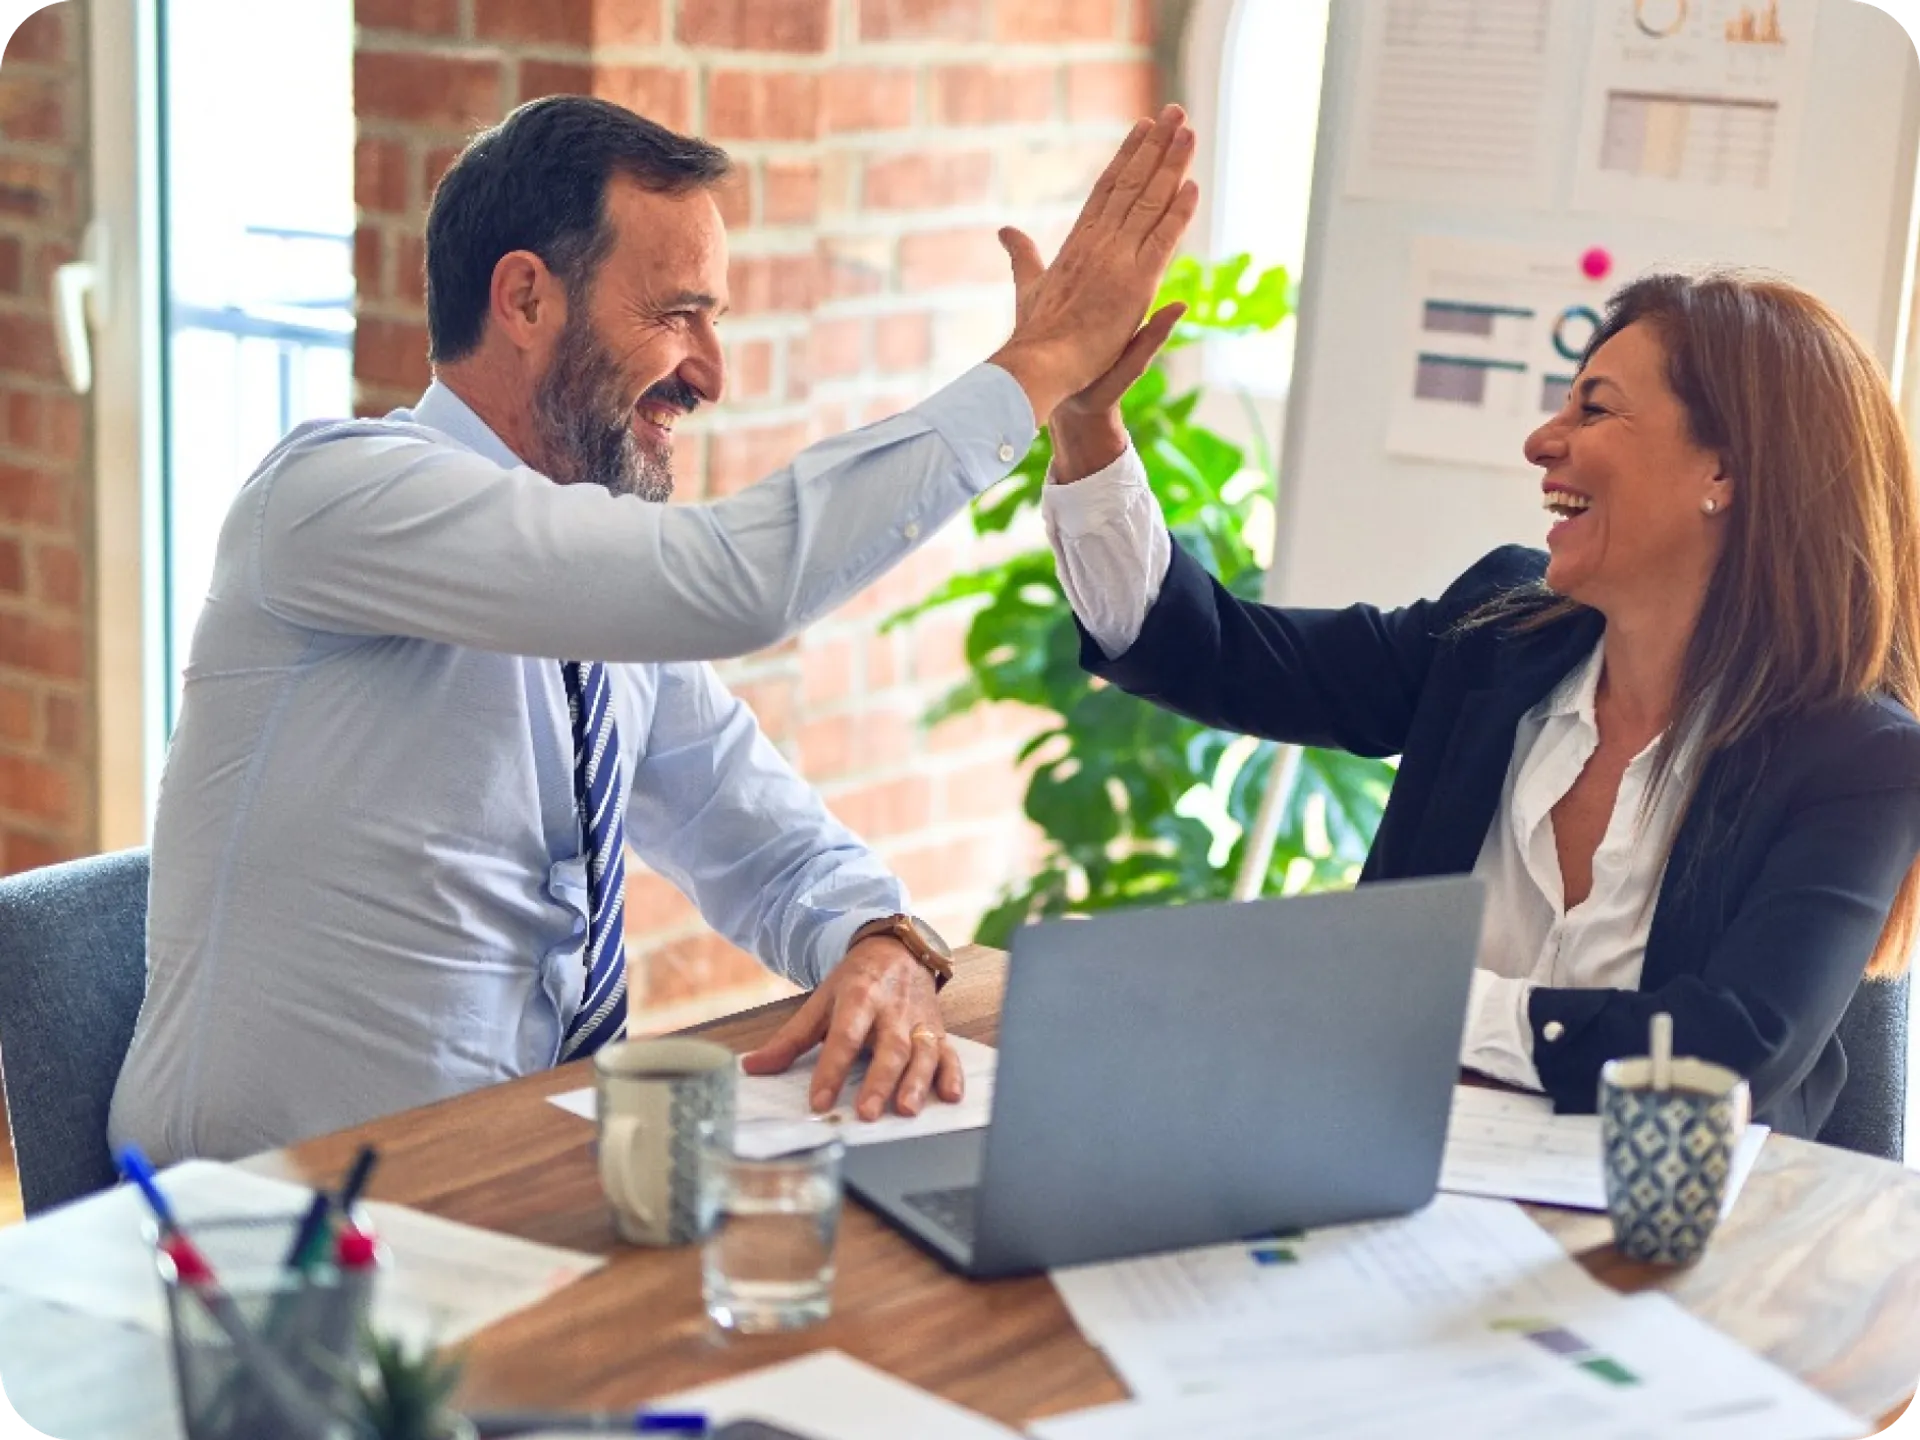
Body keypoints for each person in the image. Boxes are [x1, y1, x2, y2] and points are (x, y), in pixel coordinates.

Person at [109, 94, 1199, 1163]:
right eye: (678, 313)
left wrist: (880, 941)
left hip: (510, 1188)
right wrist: (1041, 364)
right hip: (259, 1235)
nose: (711, 374)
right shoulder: (335, 498)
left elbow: (764, 839)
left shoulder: (598, 602)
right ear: (527, 301)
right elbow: (738, 582)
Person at [1041, 267, 1920, 1139]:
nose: (1543, 440)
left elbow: (1731, 1053)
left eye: (1595, 408)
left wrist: (1422, 1005)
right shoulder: (1499, 632)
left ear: (1722, 470)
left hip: (1679, 1246)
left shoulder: (1859, 759)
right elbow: (1215, 653)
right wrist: (1087, 426)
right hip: (1402, 1181)